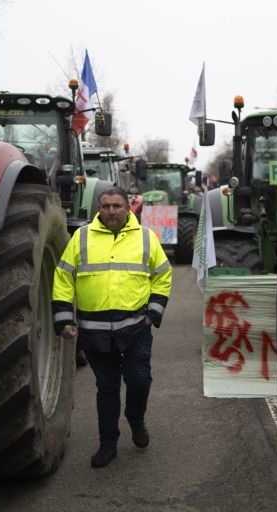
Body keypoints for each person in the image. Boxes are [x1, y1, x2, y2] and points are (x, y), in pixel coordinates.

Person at [52, 186, 172, 468]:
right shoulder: (81, 237)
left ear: (127, 207)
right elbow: (63, 277)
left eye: (117, 206)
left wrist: (153, 313)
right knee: (106, 389)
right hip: (95, 334)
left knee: (139, 380)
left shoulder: (145, 237)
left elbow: (162, 274)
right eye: (106, 206)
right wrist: (63, 319)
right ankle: (108, 444)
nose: (111, 211)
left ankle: (136, 418)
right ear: (98, 208)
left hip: (135, 330)